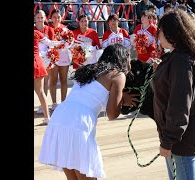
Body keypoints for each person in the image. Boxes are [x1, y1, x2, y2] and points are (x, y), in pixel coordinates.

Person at [38, 44, 137, 180]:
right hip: (79, 123)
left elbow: (91, 95)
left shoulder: (89, 69)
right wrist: (122, 100)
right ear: (122, 59)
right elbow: (112, 114)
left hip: (60, 117)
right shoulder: (118, 75)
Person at [152, 9, 195, 180]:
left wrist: (168, 141)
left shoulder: (180, 62)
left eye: (160, 30)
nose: (158, 35)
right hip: (179, 137)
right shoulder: (178, 58)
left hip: (180, 140)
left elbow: (179, 105)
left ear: (171, 33)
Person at [34, 30, 62, 125]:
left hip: (36, 62)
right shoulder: (36, 33)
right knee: (41, 91)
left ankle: (47, 117)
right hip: (36, 63)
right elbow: (50, 43)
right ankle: (47, 117)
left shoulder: (36, 33)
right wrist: (63, 42)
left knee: (41, 91)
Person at [48, 9, 74, 111]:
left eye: (58, 17)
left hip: (63, 57)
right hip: (52, 57)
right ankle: (54, 103)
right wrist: (56, 44)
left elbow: (70, 43)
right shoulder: (48, 29)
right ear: (51, 18)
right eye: (54, 17)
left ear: (61, 18)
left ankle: (64, 102)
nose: (56, 19)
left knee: (64, 80)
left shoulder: (66, 30)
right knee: (53, 80)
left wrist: (64, 44)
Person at [34, 10, 55, 114]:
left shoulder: (49, 29)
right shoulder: (34, 30)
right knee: (40, 86)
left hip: (46, 59)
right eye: (38, 17)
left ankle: (44, 108)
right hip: (37, 59)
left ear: (45, 18)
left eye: (42, 17)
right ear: (35, 18)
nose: (40, 19)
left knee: (45, 83)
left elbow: (51, 44)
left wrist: (48, 56)